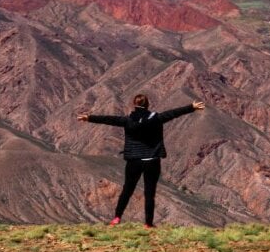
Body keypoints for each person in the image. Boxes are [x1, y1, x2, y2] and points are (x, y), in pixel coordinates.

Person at [78, 93, 205, 228]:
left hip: (134, 161)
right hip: (152, 161)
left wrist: (89, 118)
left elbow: (109, 119)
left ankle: (116, 218)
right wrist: (191, 107)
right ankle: (148, 224)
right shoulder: (156, 118)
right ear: (147, 104)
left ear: (134, 104)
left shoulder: (128, 120)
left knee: (127, 190)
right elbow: (173, 113)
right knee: (149, 193)